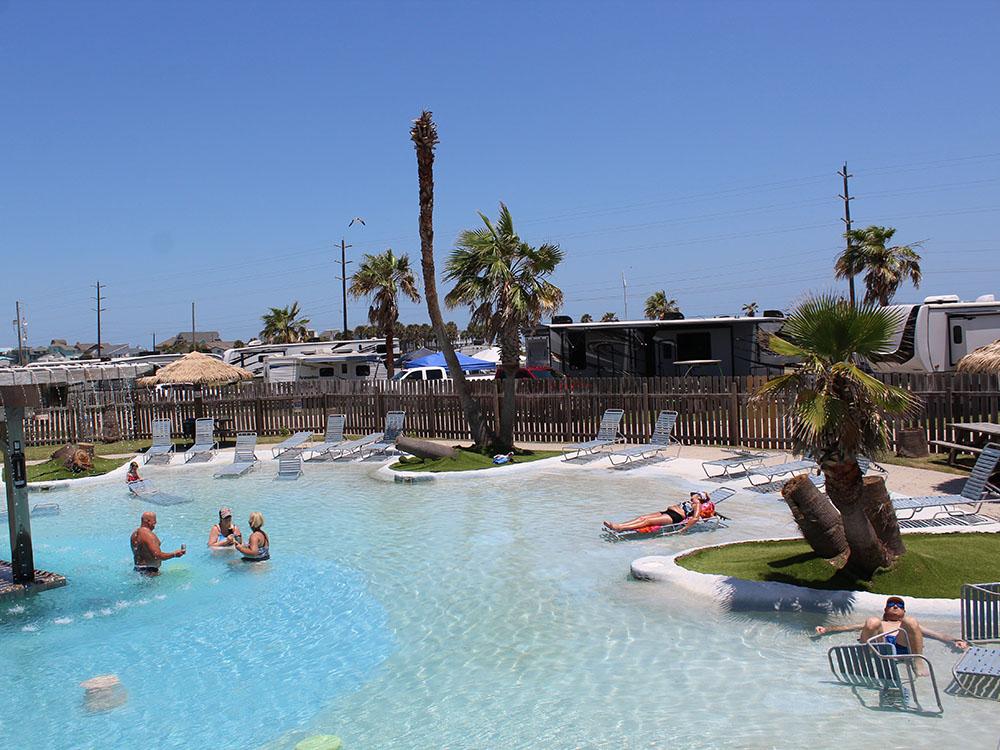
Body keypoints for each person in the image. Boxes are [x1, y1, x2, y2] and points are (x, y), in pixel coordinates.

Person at [813, 596, 968, 666]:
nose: (895, 606)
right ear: (885, 609)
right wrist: (826, 629)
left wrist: (956, 641)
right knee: (871, 621)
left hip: (902, 645)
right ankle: (865, 659)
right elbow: (847, 628)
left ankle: (918, 662)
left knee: (912, 622)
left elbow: (940, 635)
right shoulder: (879, 623)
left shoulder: (907, 624)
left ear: (903, 611)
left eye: (899, 605)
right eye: (891, 604)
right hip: (880, 645)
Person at [603, 491, 711, 533]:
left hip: (675, 517)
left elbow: (696, 518)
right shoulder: (691, 501)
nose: (693, 494)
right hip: (667, 512)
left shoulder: (697, 504)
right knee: (643, 517)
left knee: (648, 521)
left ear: (699, 497)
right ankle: (620, 526)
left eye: (696, 494)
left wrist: (684, 529)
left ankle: (620, 528)